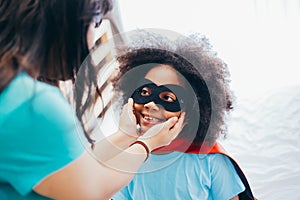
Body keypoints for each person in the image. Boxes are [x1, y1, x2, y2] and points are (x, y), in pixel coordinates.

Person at [0, 1, 184, 200]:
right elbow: (93, 188)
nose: (94, 40)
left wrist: (126, 134)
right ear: (67, 22)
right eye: (96, 23)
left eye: (167, 97)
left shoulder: (15, 95)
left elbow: (81, 166)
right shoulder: (34, 107)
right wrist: (147, 144)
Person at [110, 30, 256, 200]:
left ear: (192, 111)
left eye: (167, 98)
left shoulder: (210, 159)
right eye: (144, 91)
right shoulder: (126, 159)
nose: (150, 104)